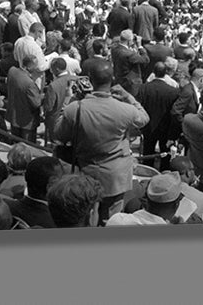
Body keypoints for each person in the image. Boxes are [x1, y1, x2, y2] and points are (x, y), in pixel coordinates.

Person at [53, 61, 149, 221]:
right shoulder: (125, 109)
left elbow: (58, 133)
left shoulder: (76, 108)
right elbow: (144, 118)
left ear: (90, 79)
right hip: (115, 177)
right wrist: (129, 97)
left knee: (85, 216)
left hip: (86, 172)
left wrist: (72, 99)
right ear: (112, 78)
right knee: (111, 219)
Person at [6, 156, 64, 228]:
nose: (64, 182)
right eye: (62, 178)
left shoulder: (5, 207)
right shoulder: (55, 223)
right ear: (50, 186)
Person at [6, 53, 44, 143]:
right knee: (28, 146)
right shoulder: (30, 84)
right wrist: (42, 96)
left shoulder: (12, 71)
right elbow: (36, 103)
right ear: (29, 67)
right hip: (27, 121)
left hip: (14, 115)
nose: (36, 68)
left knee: (16, 144)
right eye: (35, 66)